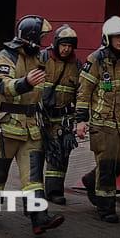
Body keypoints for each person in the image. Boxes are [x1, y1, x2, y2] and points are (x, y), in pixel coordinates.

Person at [0, 15, 65, 235]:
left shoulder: (39, 58)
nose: (43, 42)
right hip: (6, 126)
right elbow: (1, 85)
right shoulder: (6, 56)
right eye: (41, 37)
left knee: (33, 177)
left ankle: (39, 218)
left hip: (31, 128)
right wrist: (25, 82)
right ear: (31, 38)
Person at [75, 16, 120, 223]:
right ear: (108, 38)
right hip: (102, 125)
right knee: (107, 165)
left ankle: (92, 180)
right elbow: (84, 93)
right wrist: (81, 120)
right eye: (117, 37)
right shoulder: (95, 60)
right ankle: (106, 207)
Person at [39, 25, 81, 205]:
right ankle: (35, 190)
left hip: (62, 119)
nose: (66, 49)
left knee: (60, 154)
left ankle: (54, 191)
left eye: (70, 46)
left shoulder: (76, 65)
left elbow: (81, 93)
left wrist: (80, 119)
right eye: (63, 45)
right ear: (56, 43)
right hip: (40, 116)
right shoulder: (43, 58)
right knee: (36, 153)